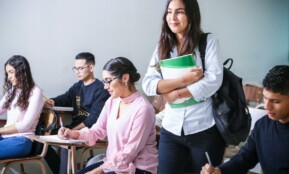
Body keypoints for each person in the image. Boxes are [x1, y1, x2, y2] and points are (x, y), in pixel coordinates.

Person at [142, 0, 225, 173]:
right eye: (169, 12)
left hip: (204, 128)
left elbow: (212, 81)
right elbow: (148, 84)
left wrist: (174, 94)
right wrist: (184, 80)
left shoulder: (208, 42)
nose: (172, 17)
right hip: (171, 129)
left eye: (179, 12)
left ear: (191, 15)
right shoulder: (162, 46)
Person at [58, 57, 158, 174]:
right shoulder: (112, 102)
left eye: (108, 81)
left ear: (125, 78)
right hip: (114, 164)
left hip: (139, 169)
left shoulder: (143, 109)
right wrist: (72, 134)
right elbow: (97, 131)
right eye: (104, 81)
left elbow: (130, 152)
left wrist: (99, 171)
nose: (105, 86)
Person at [201, 65, 289, 174]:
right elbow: (244, 158)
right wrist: (219, 170)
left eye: (275, 101)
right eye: (265, 98)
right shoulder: (262, 126)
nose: (267, 106)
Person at [44, 52, 110, 174]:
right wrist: (50, 101)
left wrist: (73, 131)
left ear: (91, 68)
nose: (77, 71)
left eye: (80, 68)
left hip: (91, 130)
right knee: (45, 140)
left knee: (65, 146)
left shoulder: (101, 89)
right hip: (75, 128)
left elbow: (93, 120)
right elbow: (65, 98)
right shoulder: (78, 86)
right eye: (75, 68)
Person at [0, 55, 44, 159]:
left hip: (21, 140)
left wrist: (0, 130)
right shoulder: (12, 91)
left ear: (21, 71)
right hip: (5, 138)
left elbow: (25, 125)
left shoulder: (35, 92)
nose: (9, 77)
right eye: (7, 73)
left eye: (11, 72)